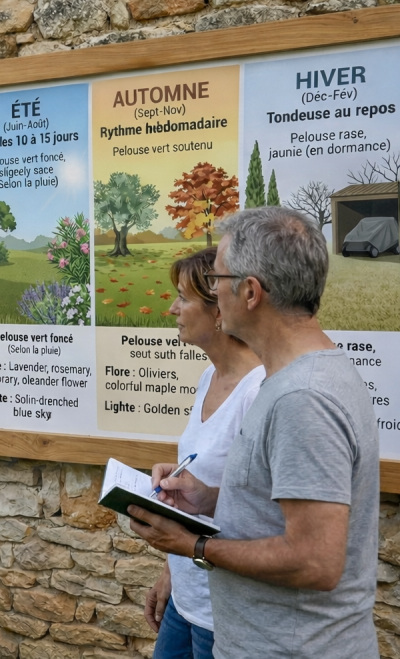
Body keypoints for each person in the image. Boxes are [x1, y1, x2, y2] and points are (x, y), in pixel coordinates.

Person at [128, 207, 379, 658]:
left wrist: (195, 545)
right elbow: (279, 508)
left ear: (249, 292)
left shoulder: (302, 397)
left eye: (218, 278)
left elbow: (315, 561)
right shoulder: (302, 379)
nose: (213, 293)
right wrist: (207, 498)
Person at [144, 246, 264, 659]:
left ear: (218, 309)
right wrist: (170, 573)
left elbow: (263, 510)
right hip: (186, 600)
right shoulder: (208, 376)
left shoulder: (260, 392)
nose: (173, 308)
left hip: (224, 613)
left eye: (183, 296)